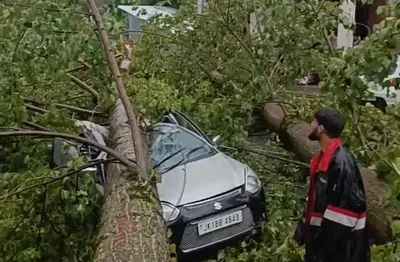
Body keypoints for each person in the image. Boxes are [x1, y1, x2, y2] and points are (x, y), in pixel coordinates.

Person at [294, 108, 370, 262]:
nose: (310, 125)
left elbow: (344, 214)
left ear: (321, 129)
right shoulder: (325, 159)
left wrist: (321, 251)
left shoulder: (341, 163)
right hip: (324, 244)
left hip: (341, 251)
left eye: (313, 122)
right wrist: (304, 229)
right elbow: (317, 200)